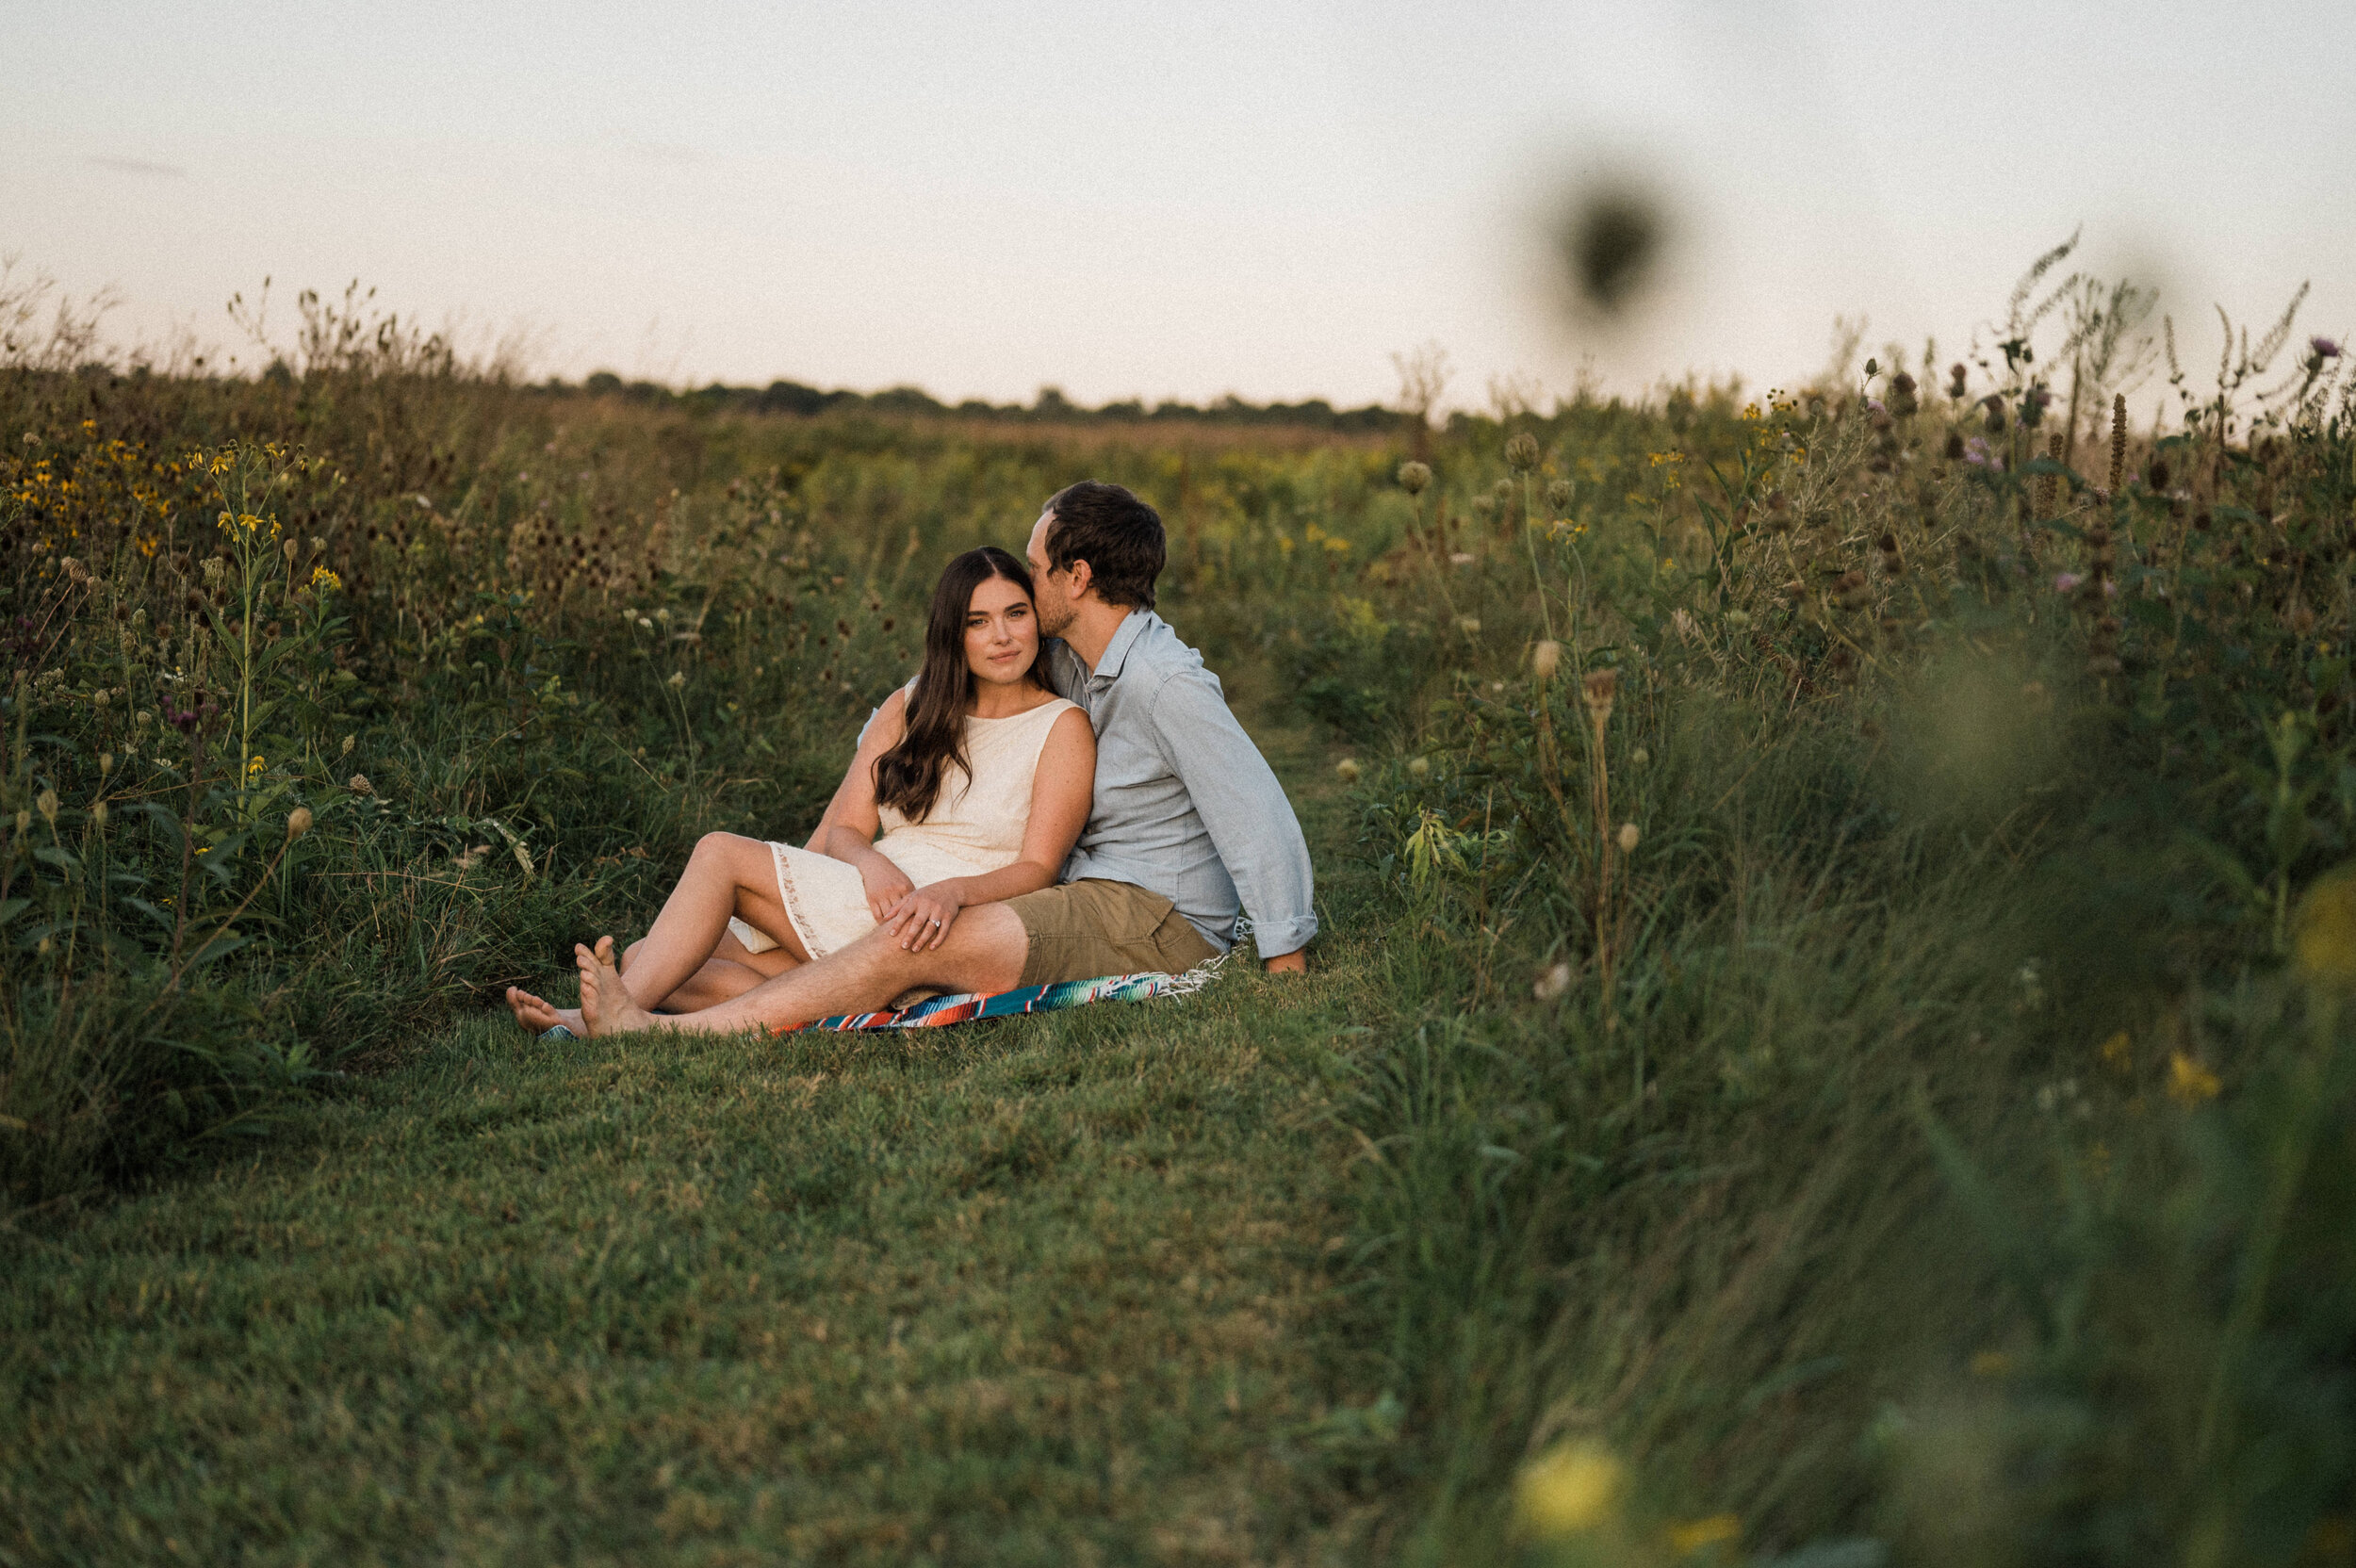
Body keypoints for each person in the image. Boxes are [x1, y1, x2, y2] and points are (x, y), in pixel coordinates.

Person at [564, 479, 1316, 1037]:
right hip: (1089, 895)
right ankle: (635, 1004)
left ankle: (659, 1031)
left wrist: (1285, 967)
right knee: (891, 942)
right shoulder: (1083, 662)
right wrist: (900, 722)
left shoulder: (1164, 683)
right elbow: (964, 688)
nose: (1025, 583)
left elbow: (1259, 818)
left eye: (1034, 567)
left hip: (1157, 917)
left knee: (922, 936)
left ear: (1076, 577)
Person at [503, 545, 1094, 1035]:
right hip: (872, 895)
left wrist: (952, 894)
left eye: (1016, 614)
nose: (1002, 637)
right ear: (953, 633)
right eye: (977, 621)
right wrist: (870, 865)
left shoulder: (1060, 725)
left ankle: (594, 1021)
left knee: (719, 854)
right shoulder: (913, 704)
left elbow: (1040, 866)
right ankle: (830, 1004)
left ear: (1036, 620)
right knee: (651, 959)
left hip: (940, 919)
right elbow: (845, 828)